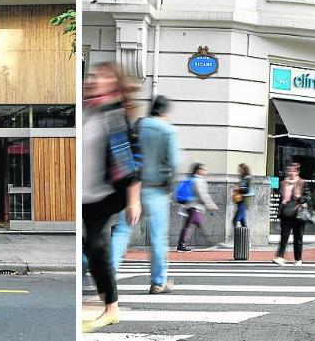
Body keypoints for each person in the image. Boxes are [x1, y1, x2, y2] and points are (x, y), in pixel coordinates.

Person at [82, 62, 141, 332]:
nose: (95, 79)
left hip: (102, 196)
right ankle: (102, 301)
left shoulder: (113, 115)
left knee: (96, 247)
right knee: (89, 250)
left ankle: (111, 308)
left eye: (103, 76)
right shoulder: (86, 110)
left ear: (115, 84)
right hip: (81, 194)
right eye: (94, 75)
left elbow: (127, 162)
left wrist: (133, 199)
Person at [110, 95, 179, 294]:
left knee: (122, 232)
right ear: (165, 112)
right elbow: (174, 162)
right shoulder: (168, 130)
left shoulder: (138, 126)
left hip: (132, 188)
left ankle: (107, 274)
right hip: (157, 190)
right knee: (158, 238)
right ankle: (158, 282)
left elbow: (125, 156)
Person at [273, 163, 310, 266]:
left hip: (298, 213)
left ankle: (298, 259)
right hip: (286, 213)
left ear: (297, 172)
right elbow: (280, 198)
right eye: (289, 170)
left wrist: (300, 197)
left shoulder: (302, 183)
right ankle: (280, 257)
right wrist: (281, 205)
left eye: (293, 171)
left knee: (298, 237)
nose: (290, 172)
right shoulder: (283, 183)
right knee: (284, 237)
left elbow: (308, 197)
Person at [177, 163, 218, 252]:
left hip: (193, 206)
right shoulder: (198, 180)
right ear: (199, 170)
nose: (205, 171)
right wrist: (210, 205)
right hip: (193, 206)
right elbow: (201, 194)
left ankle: (207, 243)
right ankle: (182, 245)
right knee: (189, 226)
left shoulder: (194, 179)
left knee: (197, 225)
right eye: (204, 169)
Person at [233, 163, 252, 228]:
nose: (238, 171)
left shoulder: (247, 178)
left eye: (239, 170)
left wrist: (238, 188)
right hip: (240, 201)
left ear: (243, 170)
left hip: (244, 201)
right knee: (243, 222)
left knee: (235, 220)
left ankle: (234, 236)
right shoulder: (242, 179)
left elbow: (247, 190)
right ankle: (245, 237)